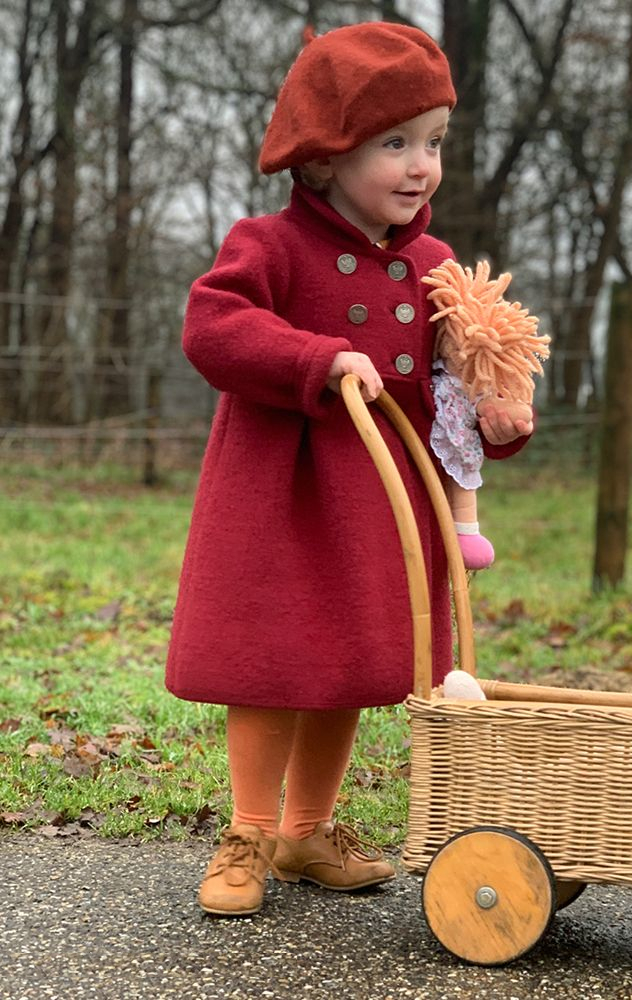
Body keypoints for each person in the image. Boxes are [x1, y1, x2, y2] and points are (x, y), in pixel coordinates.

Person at [165, 21, 531, 917]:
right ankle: (250, 828)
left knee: (345, 658)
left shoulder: (436, 268)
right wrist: (316, 356)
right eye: (394, 144)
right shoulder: (269, 245)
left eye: (434, 142)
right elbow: (213, 327)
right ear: (325, 156)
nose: (421, 167)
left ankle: (308, 828)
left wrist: (499, 417)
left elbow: (462, 383)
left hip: (380, 500)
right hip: (280, 493)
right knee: (272, 655)